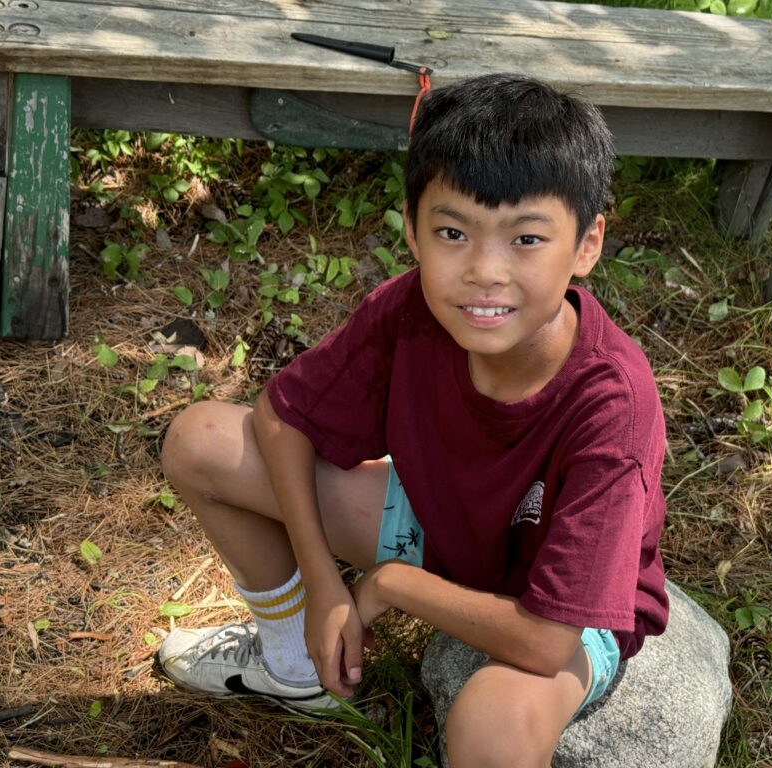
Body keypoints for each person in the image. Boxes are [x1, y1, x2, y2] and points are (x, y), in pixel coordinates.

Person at [158, 73, 669, 767]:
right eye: (454, 232)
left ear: (587, 244)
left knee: (493, 721)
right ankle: (292, 667)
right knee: (203, 441)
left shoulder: (614, 405)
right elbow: (282, 416)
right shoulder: (412, 312)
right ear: (412, 229)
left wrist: (391, 586)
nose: (484, 271)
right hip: (438, 525)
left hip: (562, 619)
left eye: (525, 239)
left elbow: (547, 641)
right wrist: (324, 587)